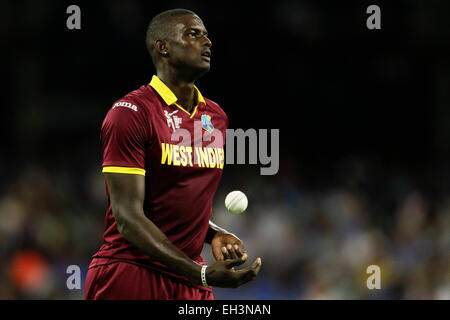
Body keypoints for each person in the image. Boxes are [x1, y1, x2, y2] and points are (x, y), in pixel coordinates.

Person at [85, 8, 261, 300]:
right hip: (130, 274)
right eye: (194, 34)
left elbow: (172, 203)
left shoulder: (215, 116)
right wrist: (200, 273)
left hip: (189, 282)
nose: (207, 42)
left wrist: (213, 234)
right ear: (163, 47)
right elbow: (128, 217)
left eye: (206, 35)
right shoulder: (131, 113)